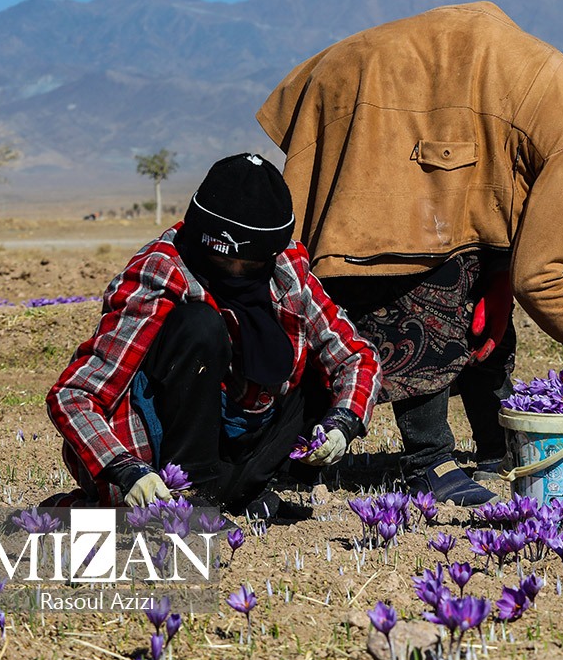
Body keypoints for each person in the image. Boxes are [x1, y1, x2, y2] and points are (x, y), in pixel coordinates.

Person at [257, 1, 563, 504]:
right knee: (419, 281)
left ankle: (496, 445)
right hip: (386, 92)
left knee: (476, 304)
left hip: (419, 93)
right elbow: (540, 279)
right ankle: (427, 462)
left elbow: (512, 206)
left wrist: (496, 286)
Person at [47, 153, 382, 513]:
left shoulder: (287, 268)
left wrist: (343, 423)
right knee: (199, 326)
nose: (236, 273)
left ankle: (230, 495)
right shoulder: (164, 270)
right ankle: (193, 501)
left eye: (250, 264)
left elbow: (357, 357)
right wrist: (126, 470)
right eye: (222, 261)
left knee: (315, 374)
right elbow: (73, 395)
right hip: (165, 462)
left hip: (250, 442)